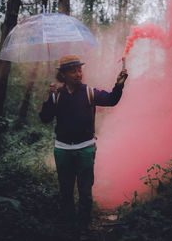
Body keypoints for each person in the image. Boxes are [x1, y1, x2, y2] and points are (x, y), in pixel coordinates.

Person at [39, 54, 128, 232]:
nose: (79, 74)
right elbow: (45, 118)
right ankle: (69, 225)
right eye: (73, 71)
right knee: (66, 191)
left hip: (85, 148)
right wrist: (50, 99)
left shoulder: (89, 92)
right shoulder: (57, 95)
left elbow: (111, 100)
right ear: (63, 74)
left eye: (80, 70)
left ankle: (84, 225)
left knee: (85, 192)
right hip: (62, 149)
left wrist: (119, 85)